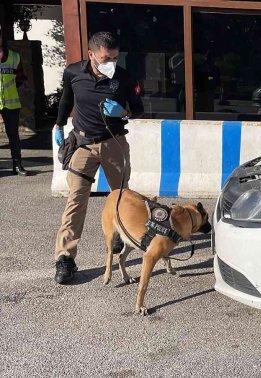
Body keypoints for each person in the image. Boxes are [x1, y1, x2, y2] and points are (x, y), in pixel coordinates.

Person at [53, 31, 143, 284]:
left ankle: (118, 235)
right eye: (105, 58)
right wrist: (59, 126)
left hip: (113, 143)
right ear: (91, 54)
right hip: (82, 144)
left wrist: (123, 111)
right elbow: (65, 100)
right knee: (75, 202)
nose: (111, 63)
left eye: (114, 58)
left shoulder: (123, 78)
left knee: (121, 197)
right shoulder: (73, 72)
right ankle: (65, 258)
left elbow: (139, 109)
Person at [0, 27, 29, 176]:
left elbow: (20, 77)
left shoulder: (14, 57)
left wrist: (18, 86)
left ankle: (17, 165)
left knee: (13, 135)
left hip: (11, 103)